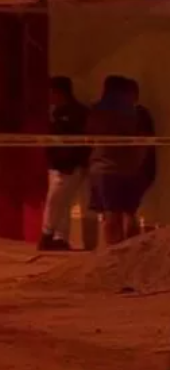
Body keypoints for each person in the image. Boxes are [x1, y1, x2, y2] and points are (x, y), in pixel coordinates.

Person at [86, 75, 148, 246]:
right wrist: (137, 164)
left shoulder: (96, 112)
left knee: (110, 214)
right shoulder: (137, 113)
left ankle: (114, 253)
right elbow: (143, 143)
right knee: (130, 213)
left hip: (103, 168)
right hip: (128, 169)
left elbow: (89, 137)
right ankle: (132, 251)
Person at [39, 76, 90, 251]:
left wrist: (71, 162)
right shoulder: (55, 113)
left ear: (60, 93)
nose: (49, 97)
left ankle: (47, 235)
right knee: (62, 202)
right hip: (57, 165)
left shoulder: (77, 114)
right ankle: (60, 238)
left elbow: (79, 142)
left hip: (68, 166)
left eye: (51, 93)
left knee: (54, 201)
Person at [123, 78, 157, 237]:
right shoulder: (124, 115)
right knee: (127, 209)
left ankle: (131, 242)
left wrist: (136, 166)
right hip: (129, 168)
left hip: (137, 169)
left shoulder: (139, 114)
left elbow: (144, 142)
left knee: (129, 209)